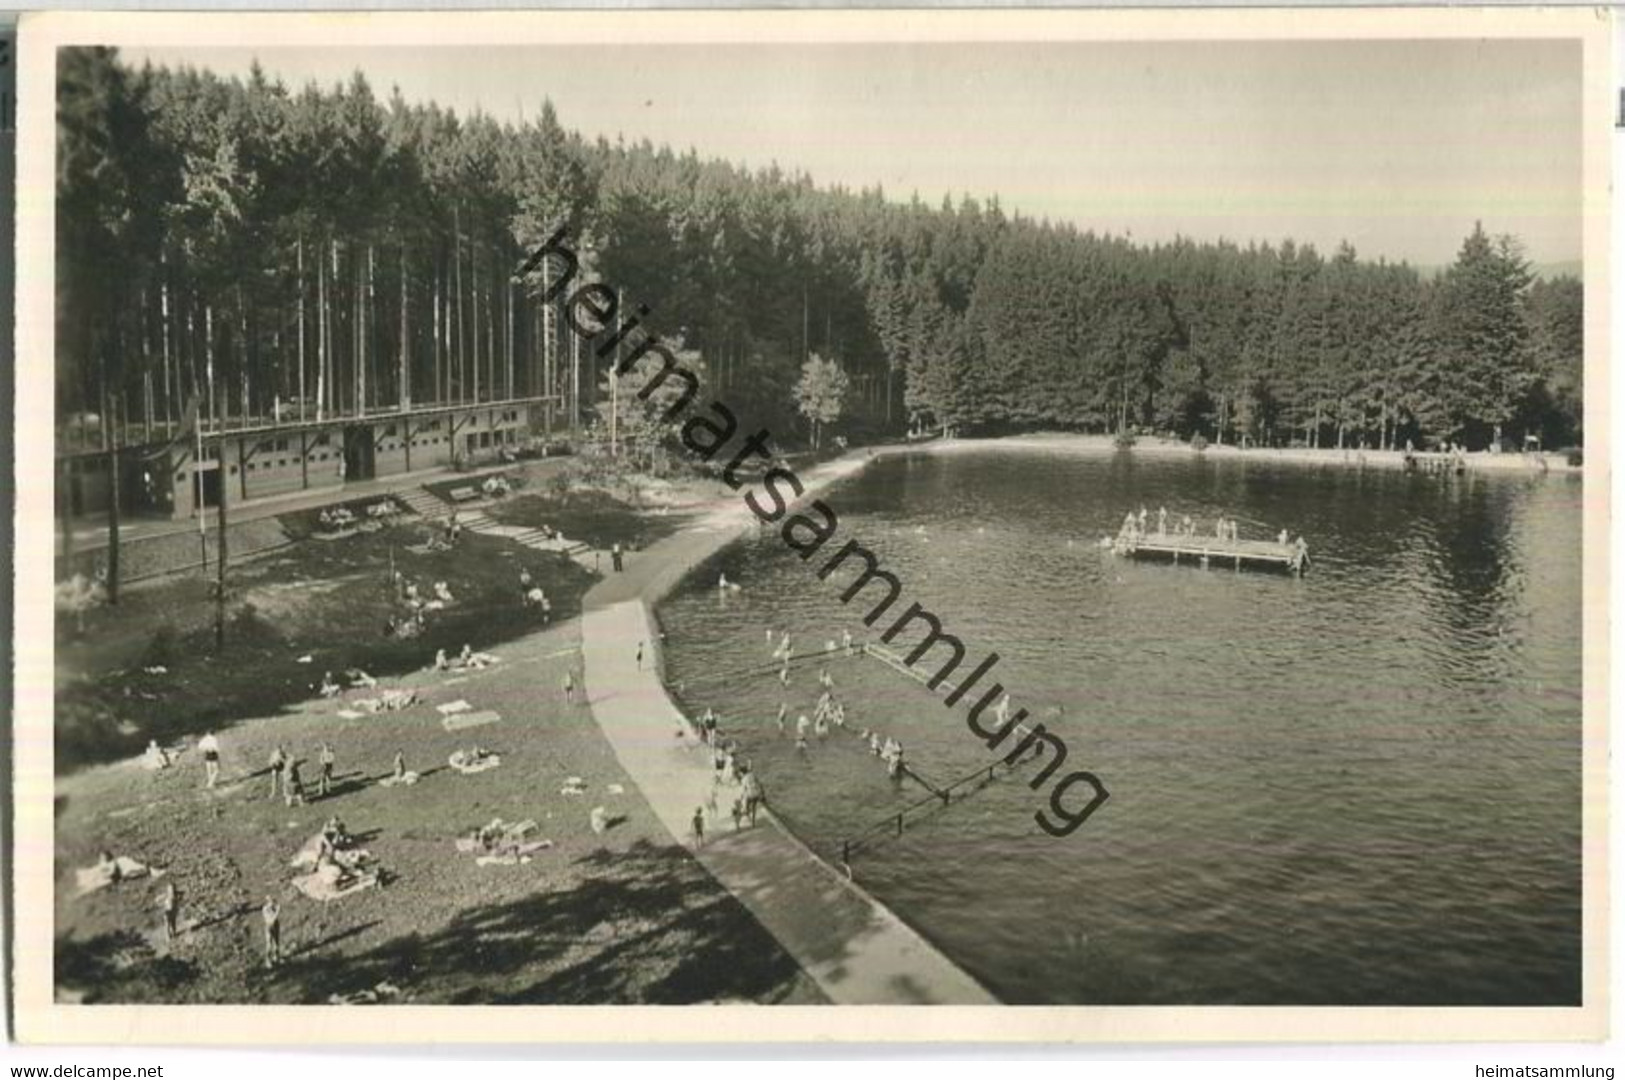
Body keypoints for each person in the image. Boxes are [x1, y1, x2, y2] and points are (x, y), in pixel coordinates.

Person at [261, 896, 282, 969]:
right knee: (269, 944)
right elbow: (272, 918)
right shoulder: (265, 909)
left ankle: (276, 957)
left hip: (275, 925)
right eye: (271, 902)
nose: (272, 903)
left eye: (273, 902)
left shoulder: (273, 908)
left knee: (276, 942)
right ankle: (268, 961)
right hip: (269, 926)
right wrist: (277, 911)